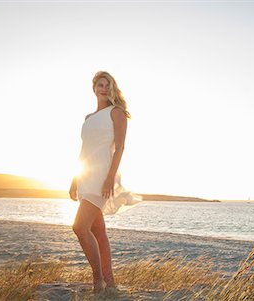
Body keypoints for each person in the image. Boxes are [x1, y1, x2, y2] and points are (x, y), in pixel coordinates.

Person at [68, 71, 141, 293]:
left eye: (107, 85)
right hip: (85, 177)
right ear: (94, 88)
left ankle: (97, 280)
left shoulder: (116, 113)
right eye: (100, 84)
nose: (103, 88)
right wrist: (74, 178)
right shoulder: (88, 118)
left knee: (79, 227)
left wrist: (109, 177)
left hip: (102, 176)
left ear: (112, 89)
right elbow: (84, 151)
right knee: (98, 232)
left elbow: (120, 147)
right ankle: (110, 284)